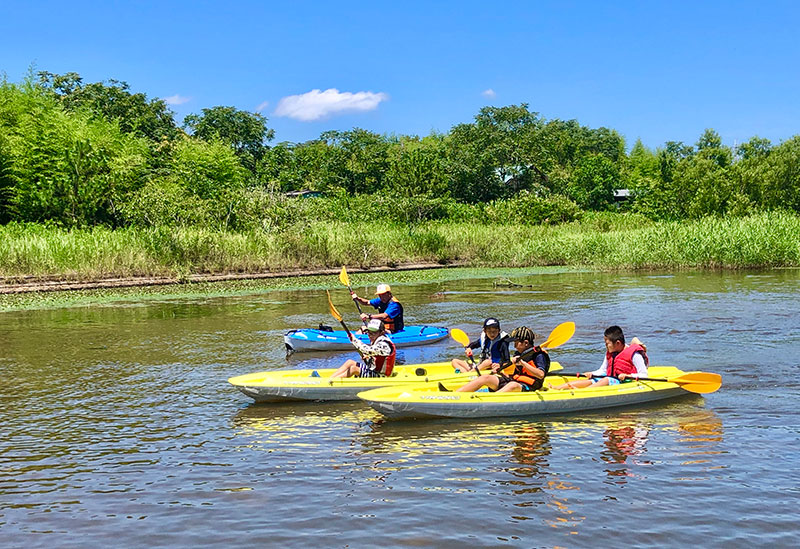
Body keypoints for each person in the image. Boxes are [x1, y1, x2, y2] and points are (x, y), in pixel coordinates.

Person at [453, 326, 550, 393]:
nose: (514, 344)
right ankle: (456, 394)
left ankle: (488, 403)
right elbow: (514, 374)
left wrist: (523, 363)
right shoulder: (519, 353)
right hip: (515, 381)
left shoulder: (539, 355)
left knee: (512, 385)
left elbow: (541, 375)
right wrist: (500, 371)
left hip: (530, 386)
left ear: (525, 342)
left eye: (516, 342)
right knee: (485, 377)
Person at [549, 325, 648, 390]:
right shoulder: (610, 353)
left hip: (626, 381)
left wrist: (629, 376)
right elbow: (603, 370)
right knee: (590, 380)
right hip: (613, 379)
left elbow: (644, 375)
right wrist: (592, 373)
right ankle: (557, 388)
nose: (606, 346)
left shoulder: (634, 355)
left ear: (617, 343)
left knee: (606, 380)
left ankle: (582, 392)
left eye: (607, 343)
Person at [329, 318, 397, 379]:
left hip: (381, 376)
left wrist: (354, 340)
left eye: (373, 333)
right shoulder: (378, 340)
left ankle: (332, 382)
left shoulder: (384, 344)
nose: (370, 335)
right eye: (369, 332)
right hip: (373, 370)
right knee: (349, 362)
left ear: (382, 333)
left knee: (354, 369)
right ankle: (330, 379)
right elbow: (376, 354)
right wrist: (368, 356)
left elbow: (367, 350)